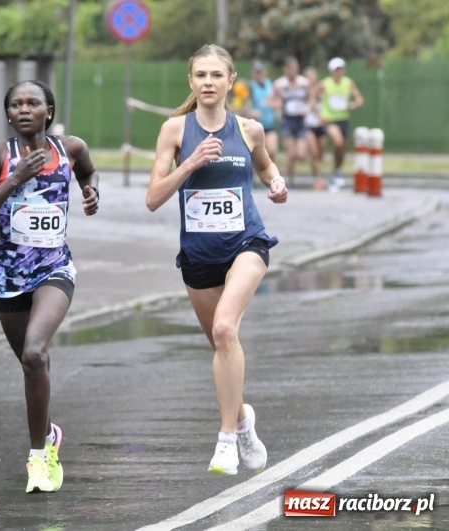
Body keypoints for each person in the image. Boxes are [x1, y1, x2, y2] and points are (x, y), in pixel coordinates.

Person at [145, 44, 287, 476]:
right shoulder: (173, 130)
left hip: (246, 242)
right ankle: (243, 422)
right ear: (191, 81)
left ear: (231, 81)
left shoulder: (249, 129)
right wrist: (189, 163)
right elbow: (153, 198)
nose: (208, 82)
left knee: (226, 327)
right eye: (200, 75)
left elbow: (265, 166)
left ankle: (226, 440)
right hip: (199, 255)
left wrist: (277, 183)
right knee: (222, 347)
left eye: (216, 75)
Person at [0, 80, 99, 493]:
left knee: (36, 352)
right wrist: (13, 179)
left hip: (55, 268)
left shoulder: (69, 149)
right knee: (30, 364)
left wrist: (91, 191)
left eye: (33, 102)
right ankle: (49, 433)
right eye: (16, 104)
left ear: (48, 112)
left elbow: (89, 171)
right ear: (8, 114)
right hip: (9, 277)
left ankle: (38, 458)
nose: (24, 109)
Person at [310, 57, 364, 191]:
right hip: (329, 120)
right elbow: (312, 98)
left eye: (340, 70)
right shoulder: (325, 84)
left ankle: (336, 171)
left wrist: (353, 105)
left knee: (342, 148)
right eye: (336, 70)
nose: (338, 73)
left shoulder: (348, 83)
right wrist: (318, 114)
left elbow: (359, 99)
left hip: (343, 119)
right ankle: (335, 173)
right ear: (331, 71)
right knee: (338, 142)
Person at [272, 56, 310, 188]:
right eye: (290, 69)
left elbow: (311, 99)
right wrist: (277, 105)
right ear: (285, 69)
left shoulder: (304, 83)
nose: (292, 71)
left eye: (295, 68)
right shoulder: (279, 84)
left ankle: (290, 171)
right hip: (287, 120)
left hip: (300, 120)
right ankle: (290, 179)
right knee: (291, 153)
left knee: (300, 154)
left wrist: (308, 108)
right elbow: (272, 100)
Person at [247, 60, 278, 161]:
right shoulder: (250, 87)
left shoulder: (270, 85)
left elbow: (276, 101)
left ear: (265, 72)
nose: (259, 74)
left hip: (268, 125)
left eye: (260, 71)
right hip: (255, 126)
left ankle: (269, 172)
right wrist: (251, 112)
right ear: (253, 73)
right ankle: (255, 173)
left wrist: (276, 106)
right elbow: (244, 106)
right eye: (256, 72)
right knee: (253, 154)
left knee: (272, 150)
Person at [303, 66, 328, 190]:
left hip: (320, 125)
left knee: (321, 153)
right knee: (314, 153)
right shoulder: (302, 93)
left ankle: (317, 174)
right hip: (308, 126)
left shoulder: (321, 92)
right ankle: (317, 179)